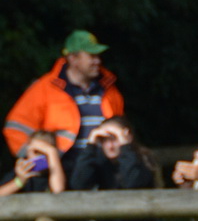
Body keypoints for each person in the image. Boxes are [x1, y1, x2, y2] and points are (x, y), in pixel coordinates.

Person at [4, 31, 124, 159]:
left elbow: (120, 130)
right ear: (73, 59)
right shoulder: (45, 88)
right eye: (92, 56)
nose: (97, 61)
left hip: (102, 169)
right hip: (64, 170)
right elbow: (15, 128)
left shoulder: (109, 90)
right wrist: (40, 166)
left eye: (98, 56)